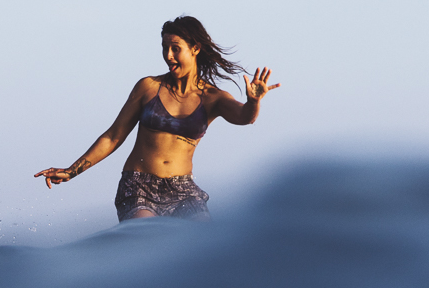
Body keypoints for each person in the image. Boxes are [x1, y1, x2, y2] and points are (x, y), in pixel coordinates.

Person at [35, 15, 279, 221]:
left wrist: (253, 102)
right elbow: (113, 136)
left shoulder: (213, 98)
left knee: (202, 244)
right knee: (148, 237)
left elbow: (245, 117)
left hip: (183, 190)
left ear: (195, 48)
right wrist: (71, 171)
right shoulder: (149, 87)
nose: (169, 55)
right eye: (165, 48)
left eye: (175, 48)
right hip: (139, 186)